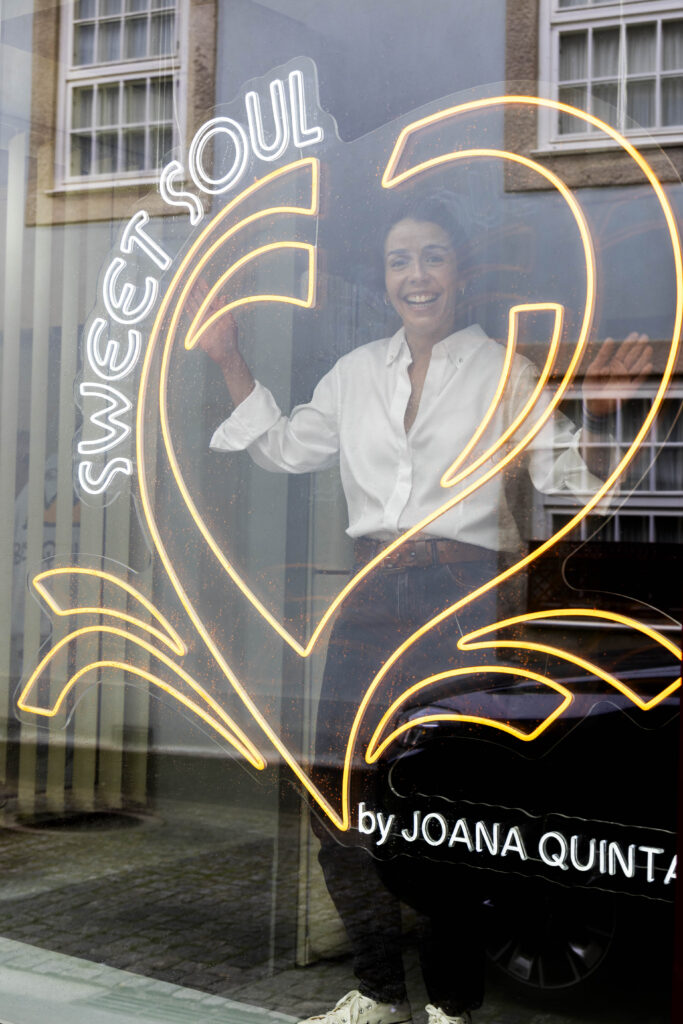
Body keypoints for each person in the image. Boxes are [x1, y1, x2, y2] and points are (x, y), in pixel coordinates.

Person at [198, 193, 652, 1024]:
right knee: (338, 796)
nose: (415, 275)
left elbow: (574, 486)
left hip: (462, 600)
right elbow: (285, 447)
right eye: (399, 260)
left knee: (452, 808)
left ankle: (450, 1004)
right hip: (371, 596)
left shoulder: (502, 372)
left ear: (460, 273)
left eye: (432, 256)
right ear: (384, 277)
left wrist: (596, 417)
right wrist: (229, 358)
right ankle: (378, 992)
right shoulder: (353, 374)